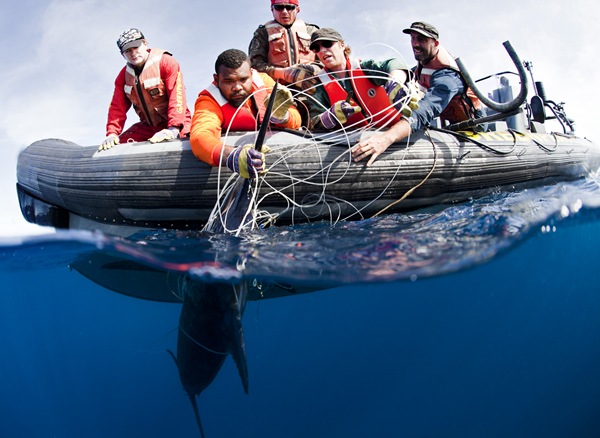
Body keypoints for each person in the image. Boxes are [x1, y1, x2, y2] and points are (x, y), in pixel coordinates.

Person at [352, 21, 485, 166]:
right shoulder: (423, 64)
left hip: (471, 127)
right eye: (413, 38)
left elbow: (424, 111)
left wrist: (385, 139)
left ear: (435, 43)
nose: (415, 44)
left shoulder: (447, 77)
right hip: (448, 124)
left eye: (421, 39)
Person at [189, 49, 301, 178]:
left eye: (243, 79)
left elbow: (296, 117)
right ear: (216, 78)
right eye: (228, 81)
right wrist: (232, 156)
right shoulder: (208, 101)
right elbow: (200, 136)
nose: (237, 87)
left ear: (251, 74)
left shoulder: (264, 81)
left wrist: (282, 116)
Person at [303, 28, 419, 132]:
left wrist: (395, 81)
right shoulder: (318, 85)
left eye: (327, 44)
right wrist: (330, 116)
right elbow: (314, 122)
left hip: (395, 132)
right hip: (353, 144)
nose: (322, 50)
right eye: (316, 48)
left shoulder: (364, 67)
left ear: (342, 45)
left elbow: (393, 64)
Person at [98, 28, 192, 151]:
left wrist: (174, 129)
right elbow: (117, 107)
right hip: (149, 126)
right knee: (117, 145)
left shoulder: (166, 62)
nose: (133, 53)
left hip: (177, 122)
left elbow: (177, 96)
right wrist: (112, 133)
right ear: (123, 55)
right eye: (128, 51)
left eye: (135, 47)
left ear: (145, 43)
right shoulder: (122, 78)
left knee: (186, 141)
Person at [248, 0, 320, 86]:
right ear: (272, 10)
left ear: (297, 9)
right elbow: (255, 65)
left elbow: (325, 60)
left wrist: (310, 69)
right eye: (279, 8)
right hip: (277, 89)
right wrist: (284, 73)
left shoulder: (312, 31)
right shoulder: (262, 33)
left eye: (290, 7)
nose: (284, 12)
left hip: (311, 87)